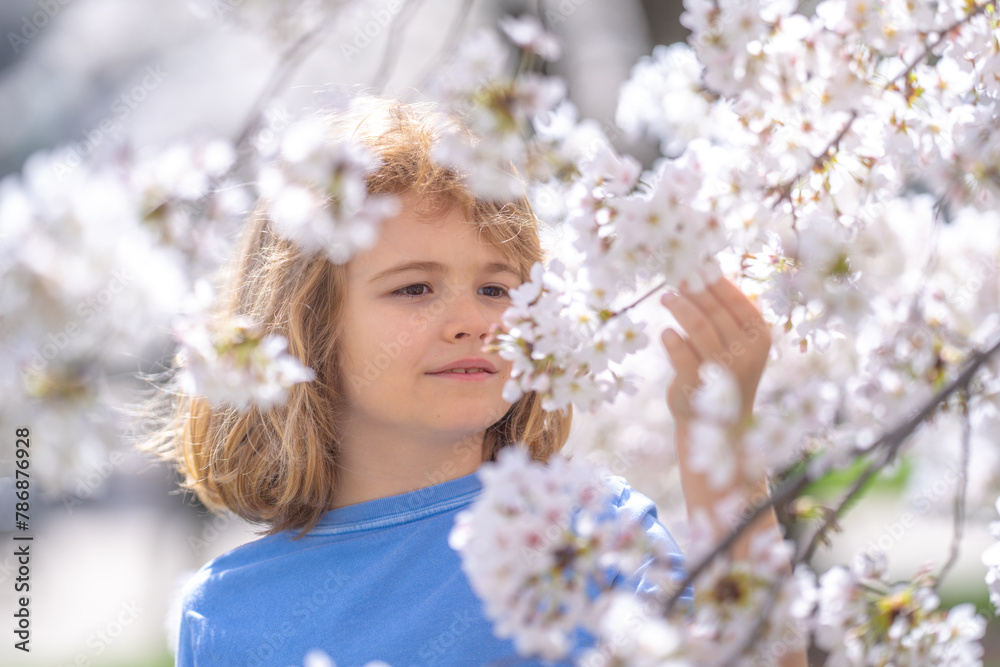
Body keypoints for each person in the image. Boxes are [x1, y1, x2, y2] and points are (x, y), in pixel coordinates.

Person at [140, 97, 794, 666]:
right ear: (305, 324)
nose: (472, 320)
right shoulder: (225, 615)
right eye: (415, 287)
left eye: (496, 287)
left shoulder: (592, 531)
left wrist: (724, 450)